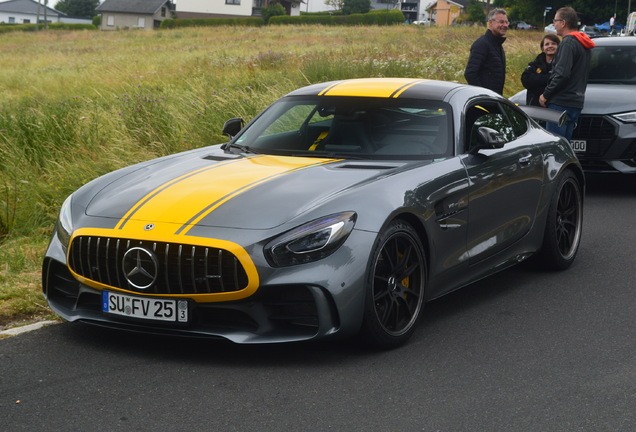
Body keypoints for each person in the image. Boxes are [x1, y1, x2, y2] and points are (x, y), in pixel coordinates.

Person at [539, 7, 596, 140]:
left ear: (563, 23)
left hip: (560, 103)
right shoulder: (583, 43)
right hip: (576, 103)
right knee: (566, 146)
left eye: (555, 21)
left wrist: (545, 95)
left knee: (556, 147)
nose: (554, 24)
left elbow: (562, 74)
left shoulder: (568, 43)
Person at [464, 8, 508, 95]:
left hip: (494, 99)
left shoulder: (497, 45)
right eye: (501, 22)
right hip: (485, 101)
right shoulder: (482, 44)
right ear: (491, 23)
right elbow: (470, 73)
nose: (505, 25)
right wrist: (483, 95)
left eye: (506, 22)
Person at [521, 34, 560, 106]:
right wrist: (549, 78)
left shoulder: (562, 64)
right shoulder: (535, 63)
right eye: (547, 44)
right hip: (534, 105)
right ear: (542, 48)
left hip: (554, 105)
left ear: (559, 47)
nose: (550, 46)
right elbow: (526, 80)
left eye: (553, 44)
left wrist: (536, 82)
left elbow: (560, 81)